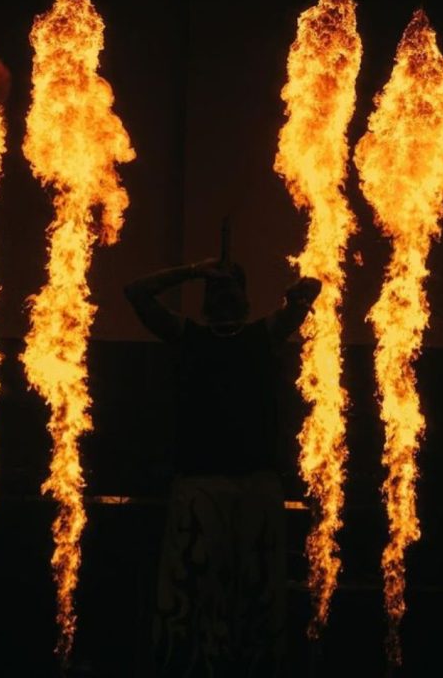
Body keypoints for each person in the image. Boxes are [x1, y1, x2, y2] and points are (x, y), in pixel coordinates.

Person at [124, 255, 321, 677]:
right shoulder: (189, 336)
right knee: (195, 592)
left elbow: (310, 291)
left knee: (255, 596)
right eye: (217, 286)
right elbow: (136, 292)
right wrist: (192, 271)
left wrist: (297, 295)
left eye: (232, 284)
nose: (224, 292)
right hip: (200, 484)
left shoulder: (262, 335)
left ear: (244, 296)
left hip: (255, 484)